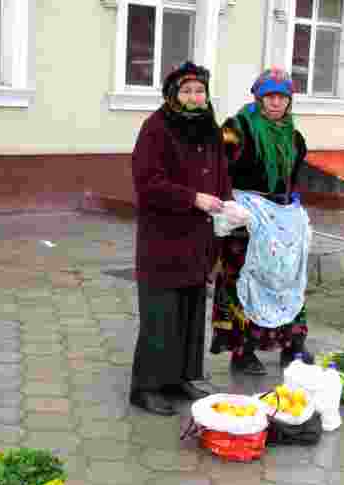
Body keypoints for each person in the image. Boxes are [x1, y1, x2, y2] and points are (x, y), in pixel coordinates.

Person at [130, 61, 232, 416]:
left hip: (198, 237)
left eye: (199, 90)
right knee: (161, 314)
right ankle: (146, 387)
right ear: (173, 94)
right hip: (164, 238)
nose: (193, 96)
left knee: (190, 312)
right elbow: (148, 182)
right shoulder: (156, 128)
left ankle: (179, 379)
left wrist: (228, 204)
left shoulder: (210, 127)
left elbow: (220, 172)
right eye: (186, 91)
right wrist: (193, 198)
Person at [211, 67, 310, 376]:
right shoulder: (236, 129)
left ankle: (292, 345)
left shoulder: (293, 136)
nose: (276, 103)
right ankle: (243, 351)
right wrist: (226, 204)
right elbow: (216, 164)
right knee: (245, 281)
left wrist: (294, 202)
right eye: (270, 96)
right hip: (246, 218)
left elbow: (293, 177)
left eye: (282, 97)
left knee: (287, 277)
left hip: (281, 218)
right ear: (258, 97)